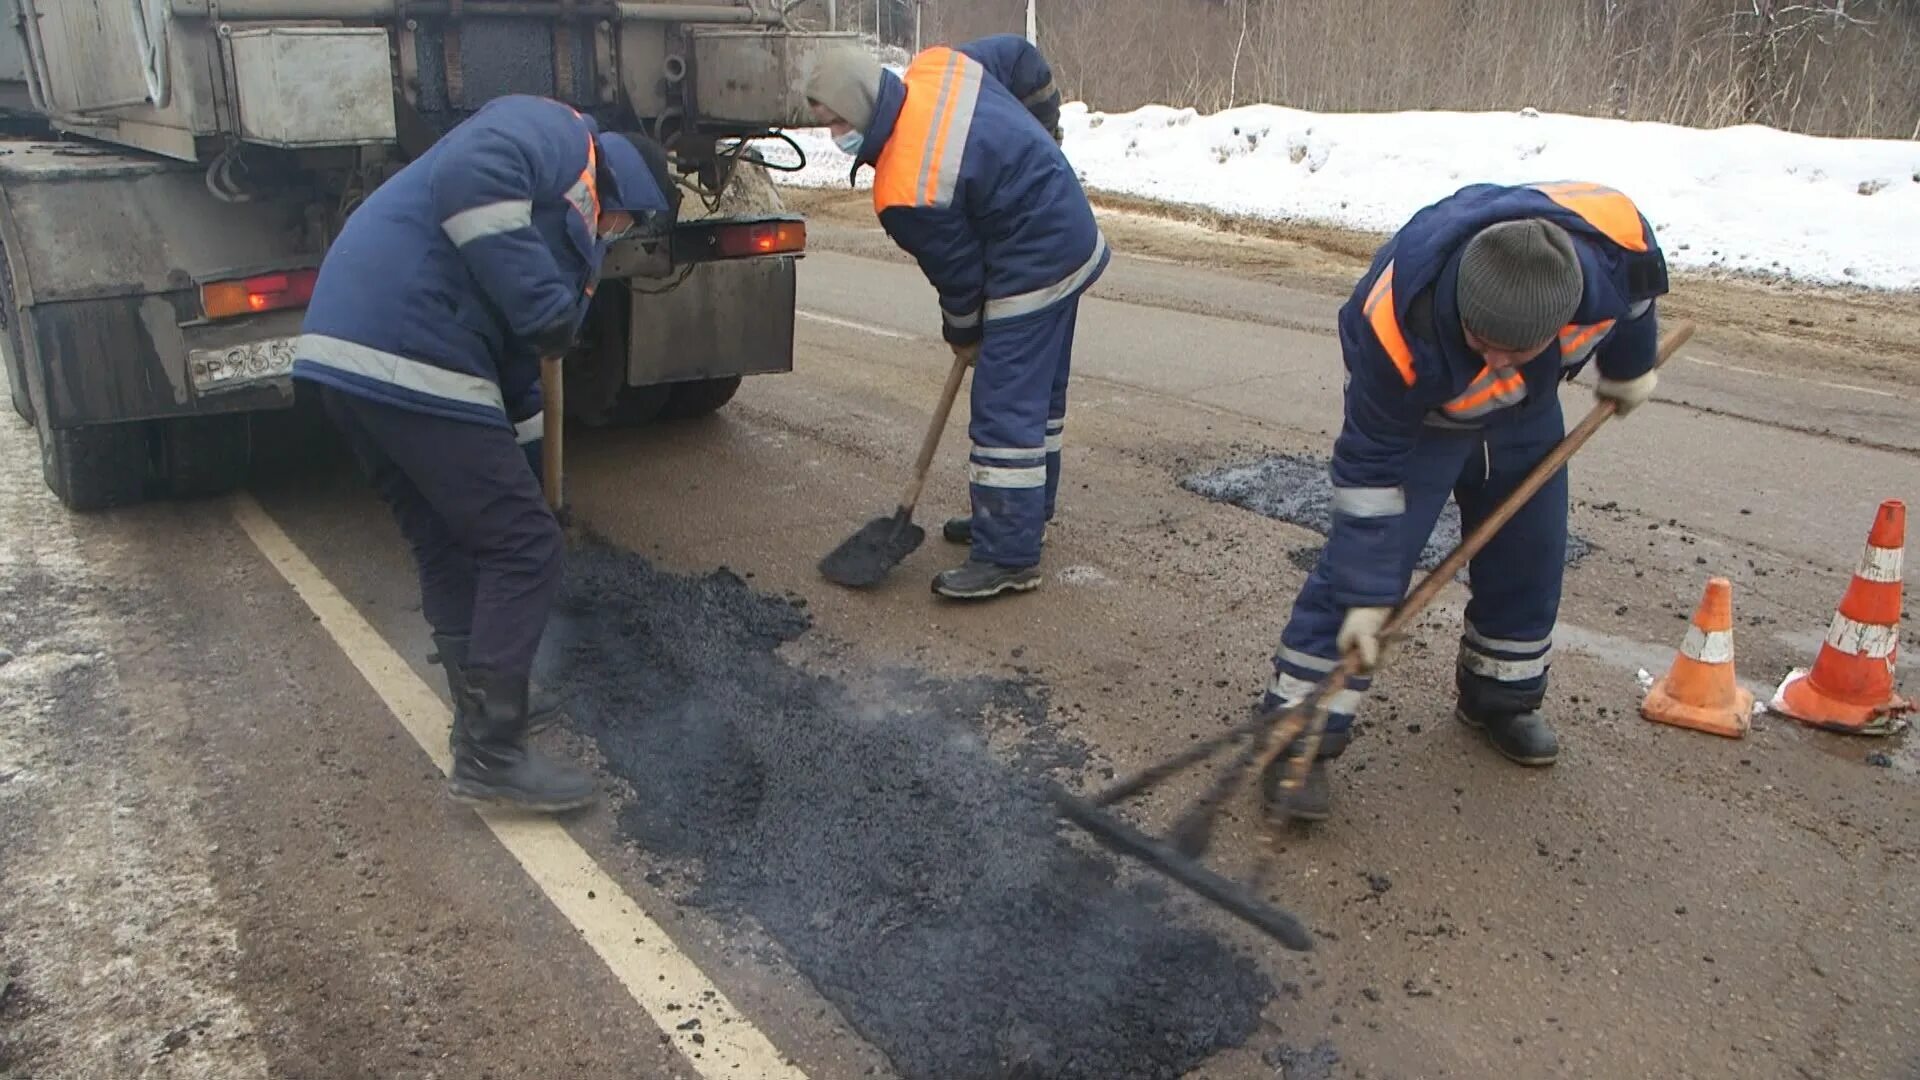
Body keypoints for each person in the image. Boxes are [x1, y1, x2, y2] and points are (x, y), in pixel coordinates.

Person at [292, 94, 678, 812]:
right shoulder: (557, 136)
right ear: (621, 187)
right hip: (408, 342)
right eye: (627, 222)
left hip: (351, 353)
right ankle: (493, 756)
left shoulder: (551, 229)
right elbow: (468, 175)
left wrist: (532, 483)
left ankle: (479, 722)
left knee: (454, 540)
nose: (618, 235)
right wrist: (544, 307)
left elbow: (521, 380)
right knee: (523, 547)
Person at [1257, 181, 1669, 823]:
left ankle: (1500, 694)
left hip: (1528, 411)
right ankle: (1299, 733)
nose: (1497, 360)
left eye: (1516, 348)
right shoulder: (1394, 325)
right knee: (1364, 566)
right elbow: (1367, 473)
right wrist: (1367, 597)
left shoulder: (1614, 257)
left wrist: (1627, 368)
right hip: (1420, 418)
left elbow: (1638, 306)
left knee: (1530, 549)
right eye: (1483, 342)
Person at [806, 38, 1106, 600]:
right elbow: (1021, 58)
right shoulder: (938, 67)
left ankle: (1009, 557)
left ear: (862, 107)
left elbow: (962, 278)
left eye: (836, 121)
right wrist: (1045, 130)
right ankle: (1021, 513)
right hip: (1070, 228)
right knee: (1038, 397)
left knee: (1004, 405)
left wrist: (965, 334)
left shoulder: (903, 186)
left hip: (1033, 259)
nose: (835, 137)